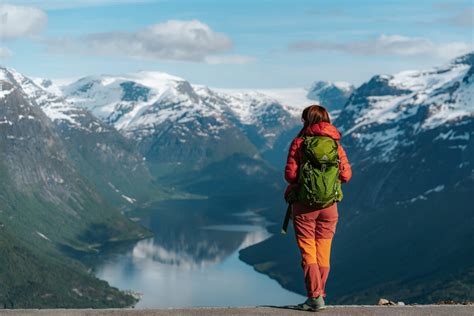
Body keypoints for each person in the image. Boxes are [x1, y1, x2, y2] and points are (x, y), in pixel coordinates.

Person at [284, 104, 352, 311]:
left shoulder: (300, 143)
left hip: (304, 207)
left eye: (304, 119)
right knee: (323, 252)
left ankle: (314, 297)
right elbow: (346, 176)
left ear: (308, 121)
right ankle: (320, 294)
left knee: (308, 252)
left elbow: (290, 176)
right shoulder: (335, 145)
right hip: (330, 207)